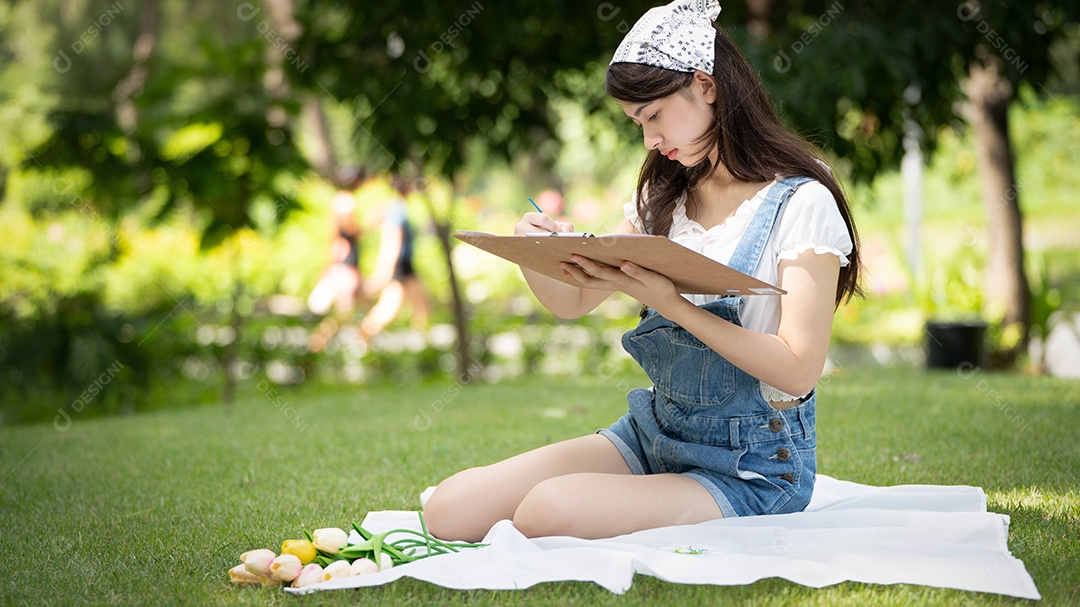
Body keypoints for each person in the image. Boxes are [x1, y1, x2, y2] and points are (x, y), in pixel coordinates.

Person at [423, 0, 863, 543]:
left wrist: (672, 303)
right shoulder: (665, 196)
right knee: (450, 509)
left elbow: (798, 370)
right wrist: (534, 247)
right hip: (657, 433)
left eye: (653, 116)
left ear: (706, 85)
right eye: (638, 123)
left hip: (752, 466)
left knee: (547, 511)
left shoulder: (800, 200)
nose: (650, 141)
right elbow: (571, 303)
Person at [357, 174, 430, 342]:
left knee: (422, 305)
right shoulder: (397, 209)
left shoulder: (395, 207)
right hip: (400, 267)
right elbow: (392, 240)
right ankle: (362, 338)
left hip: (406, 267)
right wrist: (386, 270)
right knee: (388, 309)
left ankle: (424, 346)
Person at [307, 188, 364, 352]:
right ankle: (318, 343)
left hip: (345, 269)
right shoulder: (345, 205)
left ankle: (323, 344)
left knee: (348, 311)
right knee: (343, 312)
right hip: (346, 271)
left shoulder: (338, 231)